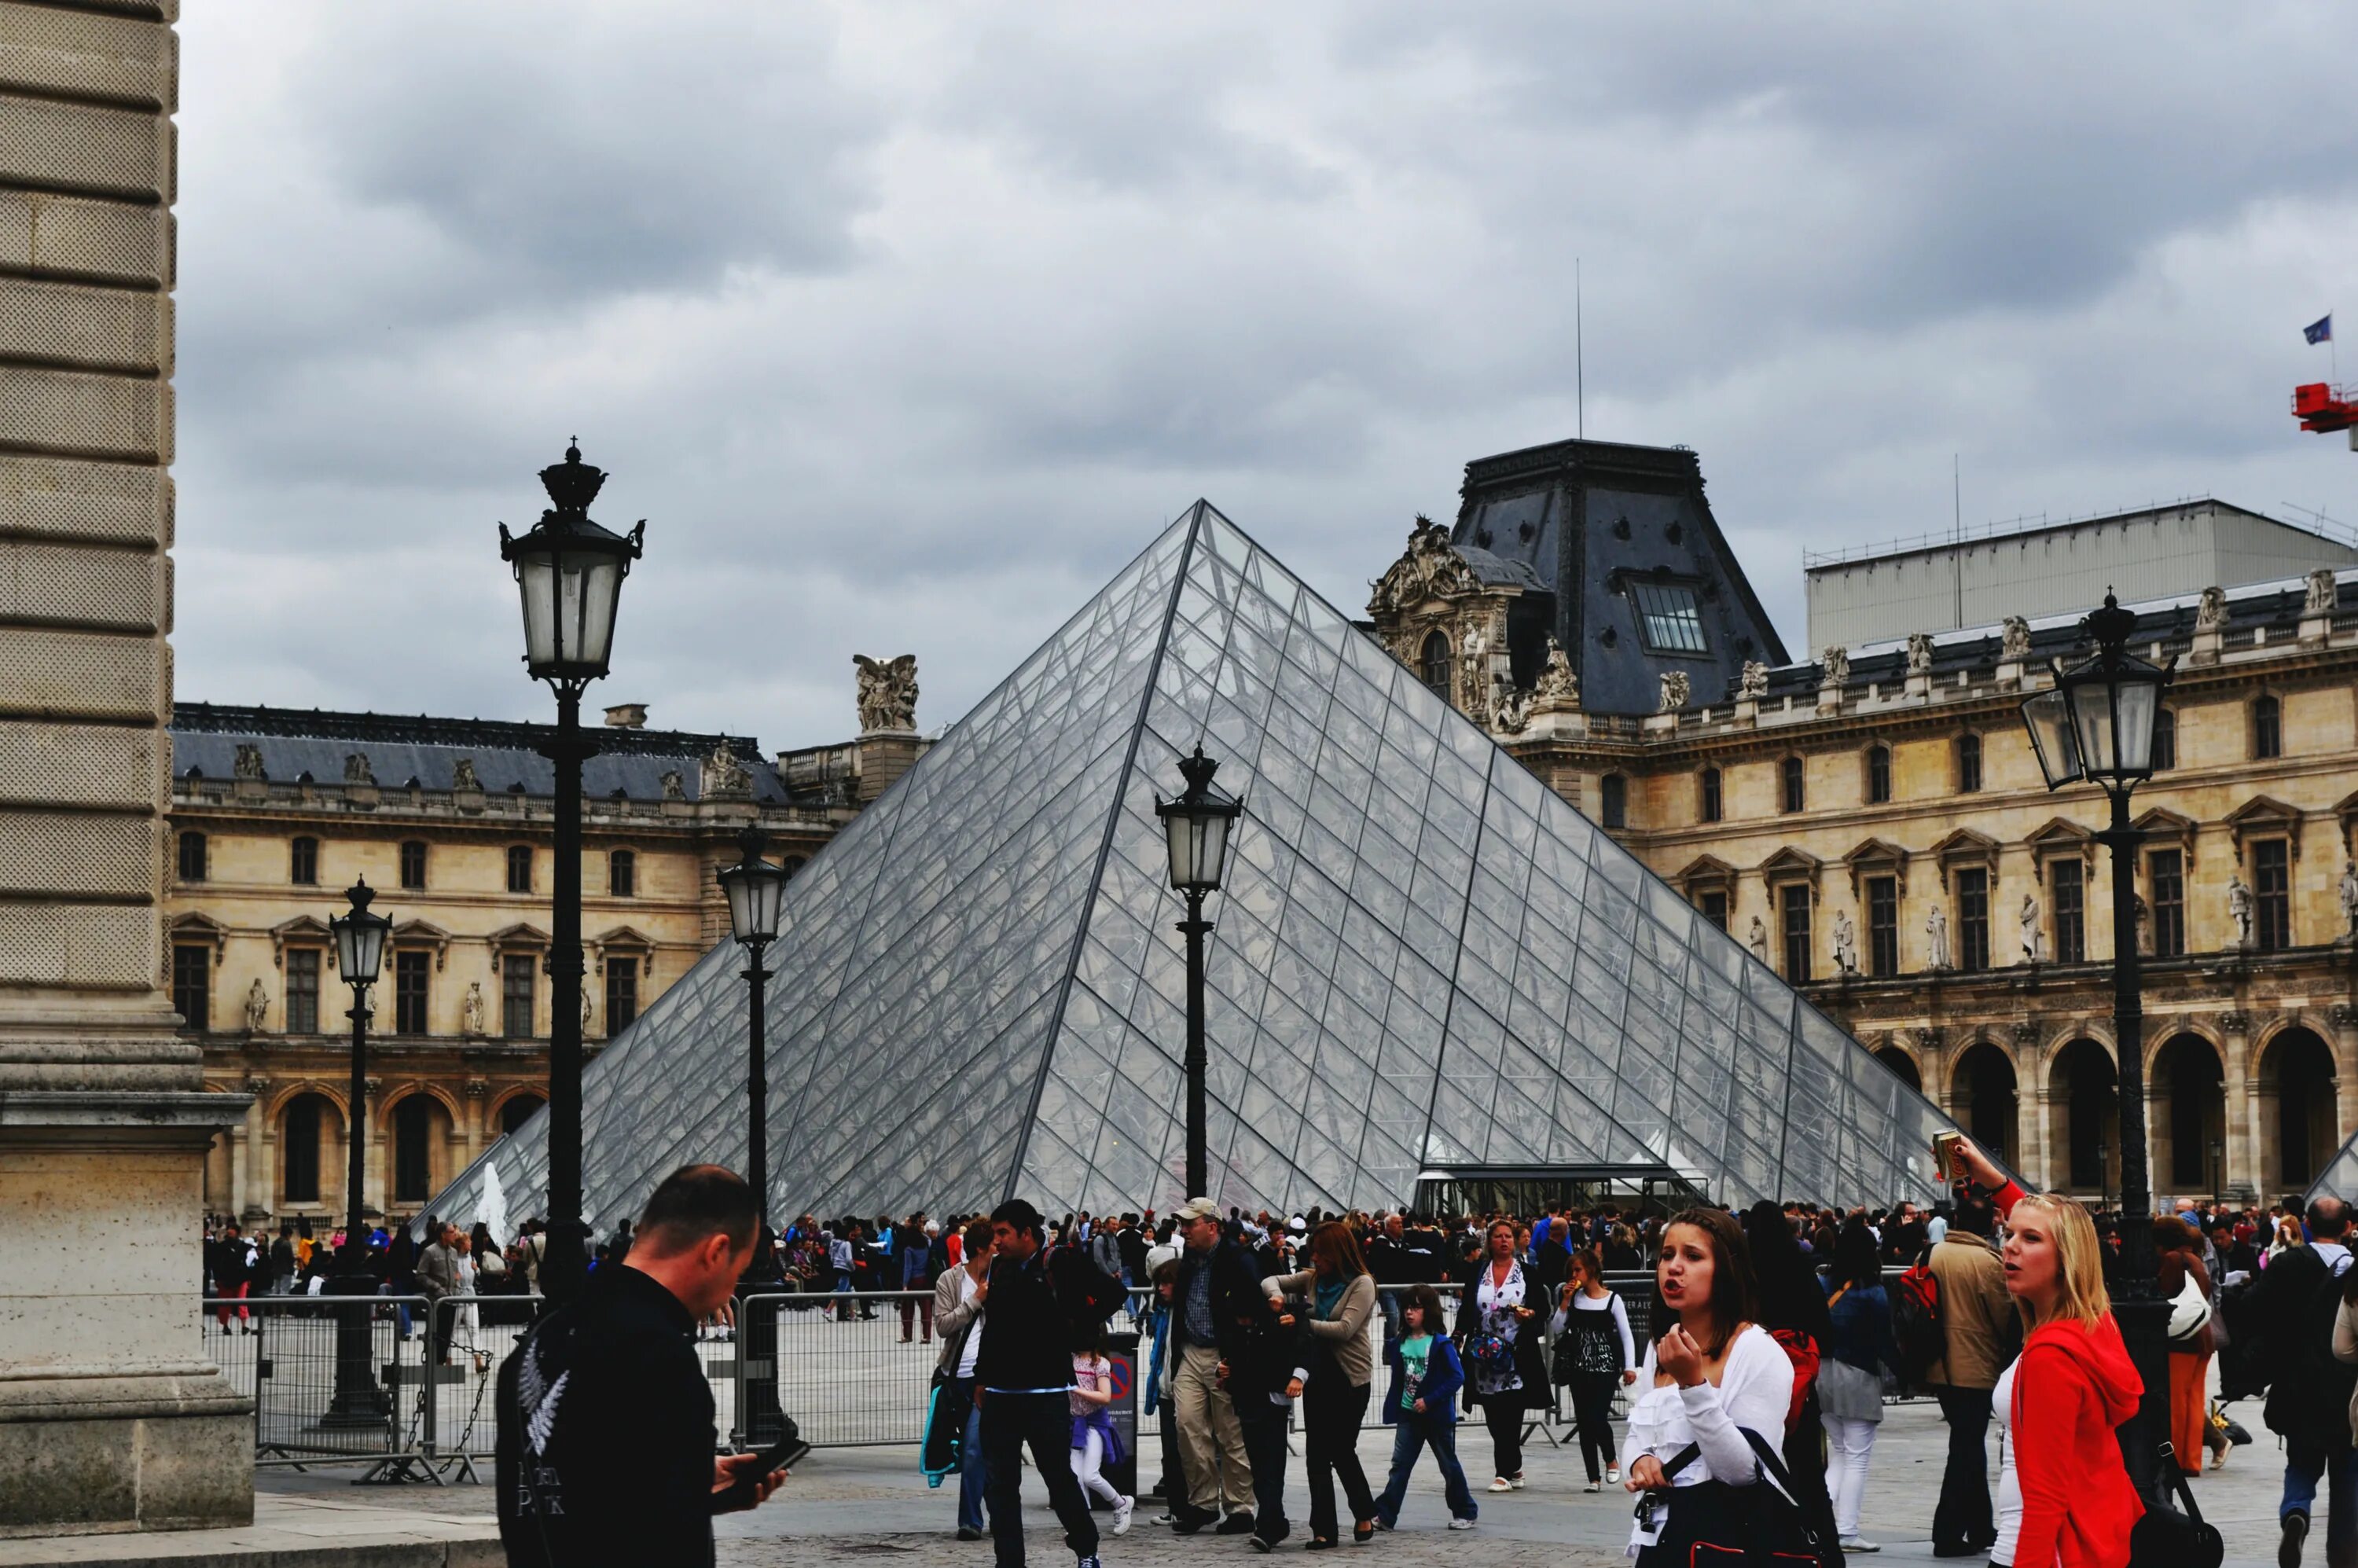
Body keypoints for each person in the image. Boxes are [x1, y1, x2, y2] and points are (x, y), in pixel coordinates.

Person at [494, 1164, 787, 1566]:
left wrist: (691, 1481)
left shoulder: (537, 1346)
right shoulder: (660, 1356)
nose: (733, 1289)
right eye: (738, 1270)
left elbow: (578, 1493)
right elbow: (668, 1542)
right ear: (717, 1251)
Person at [1948, 1137, 2141, 1568]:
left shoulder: (2051, 1356)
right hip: (2094, 1532)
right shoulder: (2093, 1323)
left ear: (2066, 1259)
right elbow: (2059, 1229)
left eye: (2029, 1238)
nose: (2010, 1246)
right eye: (2008, 1233)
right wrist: (1994, 1180)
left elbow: (2046, 1494)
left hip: (2040, 1547)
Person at [1619, 1208, 1797, 1566]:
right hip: (1663, 1538)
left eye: (1693, 1256)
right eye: (1667, 1255)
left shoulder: (1757, 1351)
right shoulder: (1662, 1345)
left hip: (1728, 1544)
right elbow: (1638, 1430)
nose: (1674, 1267)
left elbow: (1743, 1471)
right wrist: (1640, 1460)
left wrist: (1693, 1386)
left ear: (1727, 1269)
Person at [975, 1198, 1104, 1568]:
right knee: (1000, 1487)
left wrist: (1075, 1329)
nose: (996, 1241)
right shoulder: (1000, 1267)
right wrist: (982, 1378)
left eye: (1003, 1233)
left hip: (1045, 1394)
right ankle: (1009, 1561)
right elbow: (992, 1328)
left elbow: (1112, 1294)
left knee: (1058, 1480)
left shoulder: (1060, 1262)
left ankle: (1085, 1547)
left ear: (1026, 1233)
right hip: (1001, 1394)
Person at [2248, 1195, 2358, 1568]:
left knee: (2301, 1463)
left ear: (2307, 1222)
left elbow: (2255, 1310)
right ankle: (2343, 1553)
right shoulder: (2355, 1271)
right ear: (2347, 1227)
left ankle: (2296, 1512)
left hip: (2298, 1384)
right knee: (2347, 1473)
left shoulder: (2286, 1265)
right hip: (2347, 1388)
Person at [1264, 1221, 1380, 1548]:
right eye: (1312, 1252)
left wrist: (1300, 1322)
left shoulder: (1363, 1284)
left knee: (1342, 1450)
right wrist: (1276, 1297)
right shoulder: (1312, 1279)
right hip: (1318, 1375)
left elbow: (1344, 1329)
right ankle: (1323, 1529)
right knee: (1316, 1455)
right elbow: (1270, 1279)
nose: (1315, 1258)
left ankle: (1363, 1511)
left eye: (1321, 1252)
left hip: (1350, 1377)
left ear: (1338, 1253)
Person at [1923, 1195, 2011, 1558]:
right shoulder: (1987, 1262)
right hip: (1975, 1366)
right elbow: (2004, 1319)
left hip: (1938, 1362)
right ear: (1988, 1224)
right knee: (1965, 1448)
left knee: (1968, 1443)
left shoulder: (1933, 1254)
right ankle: (1946, 1533)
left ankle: (1979, 1526)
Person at [1168, 1195, 1259, 1535]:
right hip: (1192, 1351)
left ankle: (1239, 1507)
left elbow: (1252, 1309)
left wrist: (1239, 1359)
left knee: (1230, 1433)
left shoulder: (1238, 1259)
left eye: (1190, 1224)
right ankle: (1202, 1502)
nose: (1184, 1230)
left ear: (1212, 1226)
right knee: (1187, 1425)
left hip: (1224, 1354)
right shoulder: (1191, 1260)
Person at [1820, 1217, 1897, 1553]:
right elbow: (1884, 1342)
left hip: (1821, 1374)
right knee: (1858, 1457)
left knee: (1840, 1452)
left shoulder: (1822, 1283)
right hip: (1858, 1376)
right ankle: (1847, 1530)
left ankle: (1817, 1523)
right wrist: (1907, 1372)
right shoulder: (1873, 1292)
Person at [1373, 1283, 1477, 1531]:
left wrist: (1430, 1400)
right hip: (1409, 1415)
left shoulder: (1441, 1344)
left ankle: (1465, 1511)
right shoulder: (1400, 1342)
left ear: (1428, 1311)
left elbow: (1457, 1377)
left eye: (1416, 1308)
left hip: (1437, 1416)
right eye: (1406, 1308)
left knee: (1448, 1464)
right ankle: (1386, 1515)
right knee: (1400, 1465)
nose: (1410, 1313)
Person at [1454, 1217, 1547, 1493]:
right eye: (1498, 1236)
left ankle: (1502, 1473)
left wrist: (1530, 1314)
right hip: (1484, 1355)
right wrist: (1458, 1335)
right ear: (1489, 1242)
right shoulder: (1478, 1271)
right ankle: (1515, 1464)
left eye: (1508, 1236)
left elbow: (1542, 1308)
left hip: (1516, 1353)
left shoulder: (1527, 1273)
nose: (1504, 1241)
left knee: (1511, 1412)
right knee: (1494, 1415)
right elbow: (1467, 1307)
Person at [1551, 1245, 1637, 1493]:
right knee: (1584, 1421)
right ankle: (1593, 1477)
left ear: (1591, 1270)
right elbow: (1557, 1327)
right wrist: (1565, 1300)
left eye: (1578, 1270)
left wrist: (1629, 1366)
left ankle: (1610, 1458)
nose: (1574, 1275)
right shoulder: (1573, 1298)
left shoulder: (1613, 1299)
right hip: (1579, 1366)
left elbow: (1626, 1335)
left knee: (1597, 1416)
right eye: (1571, 1271)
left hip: (1605, 1366)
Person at [932, 1217, 995, 1541]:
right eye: (995, 1244)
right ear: (983, 1249)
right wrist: (975, 1301)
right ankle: (999, 1510)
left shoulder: (1003, 1277)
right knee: (977, 1450)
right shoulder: (950, 1280)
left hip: (989, 1378)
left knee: (974, 1449)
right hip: (957, 1376)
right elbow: (942, 1326)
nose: (999, 1249)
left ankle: (970, 1521)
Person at [2154, 1215, 2215, 1479]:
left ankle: (2176, 1459)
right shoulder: (2195, 1260)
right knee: (2194, 1398)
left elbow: (2164, 1296)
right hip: (2201, 1336)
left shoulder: (2172, 1260)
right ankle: (2191, 1460)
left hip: (2181, 1339)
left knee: (2177, 1401)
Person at [1070, 1323, 1133, 1537]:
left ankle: (1122, 1503)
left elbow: (1105, 1397)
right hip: (1076, 1425)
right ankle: (1081, 1523)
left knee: (1090, 1475)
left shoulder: (1100, 1364)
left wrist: (1077, 1390)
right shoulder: (1071, 1359)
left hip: (1095, 1425)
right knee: (1075, 1477)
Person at [208, 1221, 255, 1332]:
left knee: (240, 1302)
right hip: (226, 1279)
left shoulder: (242, 1246)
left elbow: (245, 1263)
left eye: (232, 1229)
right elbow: (217, 1264)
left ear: (237, 1232)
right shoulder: (223, 1246)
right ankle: (226, 1325)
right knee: (226, 1304)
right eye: (229, 1228)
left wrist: (248, 1278)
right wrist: (217, 1278)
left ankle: (243, 1325)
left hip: (237, 1278)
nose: (229, 1231)